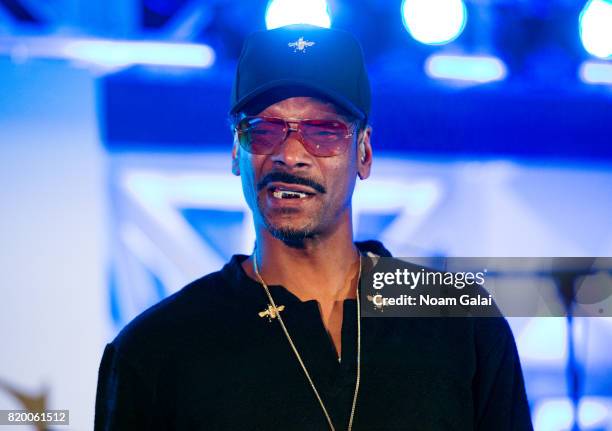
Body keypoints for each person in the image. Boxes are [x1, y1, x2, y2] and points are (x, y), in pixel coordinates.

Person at [94, 24, 533, 430]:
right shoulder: (155, 350)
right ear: (235, 151)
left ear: (363, 152)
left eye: (323, 132)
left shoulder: (458, 320)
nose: (290, 154)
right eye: (264, 130)